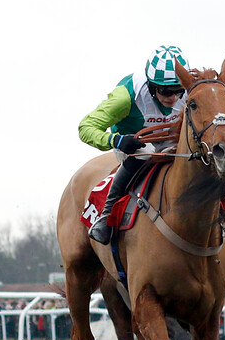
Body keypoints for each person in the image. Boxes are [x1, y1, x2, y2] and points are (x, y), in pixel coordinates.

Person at [79, 45, 189, 245]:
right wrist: (116, 140)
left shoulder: (191, 93)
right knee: (146, 153)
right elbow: (86, 127)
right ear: (150, 85)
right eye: (165, 91)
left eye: (178, 91)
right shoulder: (125, 96)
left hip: (171, 142)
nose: (172, 98)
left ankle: (224, 207)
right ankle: (107, 213)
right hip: (134, 145)